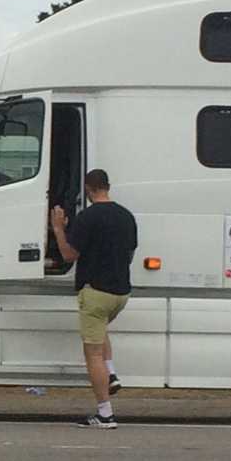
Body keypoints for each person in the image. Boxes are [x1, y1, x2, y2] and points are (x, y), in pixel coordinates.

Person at [50, 169, 137, 429]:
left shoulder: (87, 218)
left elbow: (68, 255)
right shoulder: (126, 216)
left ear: (88, 189)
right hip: (121, 293)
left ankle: (105, 414)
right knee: (101, 332)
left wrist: (58, 229)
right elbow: (130, 253)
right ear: (107, 186)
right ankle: (111, 374)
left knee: (92, 353)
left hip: (96, 292)